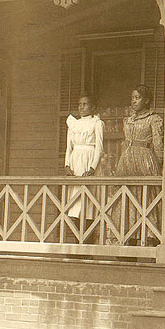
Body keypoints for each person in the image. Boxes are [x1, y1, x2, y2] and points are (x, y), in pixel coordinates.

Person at [109, 84, 164, 246]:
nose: (134, 101)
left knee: (145, 197)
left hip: (145, 160)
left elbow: (158, 143)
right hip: (127, 161)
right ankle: (128, 239)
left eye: (137, 98)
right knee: (127, 197)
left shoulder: (153, 118)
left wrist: (159, 163)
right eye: (132, 97)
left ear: (146, 100)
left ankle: (149, 238)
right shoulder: (128, 119)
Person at [64, 93, 104, 242]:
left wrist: (92, 168)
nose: (81, 107)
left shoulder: (97, 123)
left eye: (85, 104)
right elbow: (69, 147)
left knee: (87, 204)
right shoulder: (73, 123)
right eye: (79, 104)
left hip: (88, 160)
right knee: (75, 204)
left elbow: (99, 147)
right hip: (75, 162)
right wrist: (67, 164)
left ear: (92, 107)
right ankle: (76, 242)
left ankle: (87, 242)